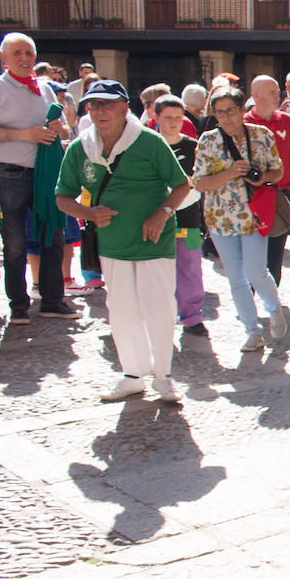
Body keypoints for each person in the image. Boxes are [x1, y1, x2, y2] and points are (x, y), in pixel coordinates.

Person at [56, 81, 190, 401]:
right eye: (93, 105)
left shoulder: (149, 141)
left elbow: (181, 186)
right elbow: (62, 197)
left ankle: (163, 376)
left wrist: (161, 213)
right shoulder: (81, 147)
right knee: (121, 310)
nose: (100, 111)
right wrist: (88, 213)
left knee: (158, 307)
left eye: (107, 104)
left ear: (123, 108)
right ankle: (132, 373)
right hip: (113, 242)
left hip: (153, 240)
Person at [0, 32, 78, 324]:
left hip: (46, 174)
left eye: (29, 52)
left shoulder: (45, 89)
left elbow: (65, 129)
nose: (25, 58)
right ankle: (18, 305)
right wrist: (25, 135)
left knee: (54, 235)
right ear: (4, 58)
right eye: (18, 53)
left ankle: (52, 300)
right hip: (11, 173)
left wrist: (57, 129)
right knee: (14, 242)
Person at [192, 86, 287, 353]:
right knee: (235, 276)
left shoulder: (260, 135)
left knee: (255, 270)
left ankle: (273, 307)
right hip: (220, 217)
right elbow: (199, 183)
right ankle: (252, 331)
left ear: (241, 109)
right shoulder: (208, 141)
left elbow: (277, 171)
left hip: (253, 215)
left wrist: (261, 176)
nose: (225, 118)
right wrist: (230, 173)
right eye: (219, 113)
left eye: (230, 111)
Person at [245, 75, 290, 286]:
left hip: (281, 194)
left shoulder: (287, 120)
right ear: (256, 96)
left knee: (275, 251)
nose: (277, 96)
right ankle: (250, 297)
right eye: (271, 92)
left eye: (277, 91)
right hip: (250, 196)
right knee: (251, 251)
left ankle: (272, 298)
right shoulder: (244, 124)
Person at [152, 95, 206, 337]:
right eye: (168, 118)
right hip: (153, 219)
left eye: (177, 117)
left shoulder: (194, 146)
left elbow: (200, 182)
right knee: (154, 272)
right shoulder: (148, 145)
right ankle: (157, 316)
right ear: (156, 117)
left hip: (188, 219)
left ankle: (192, 317)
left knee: (190, 269)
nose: (174, 123)